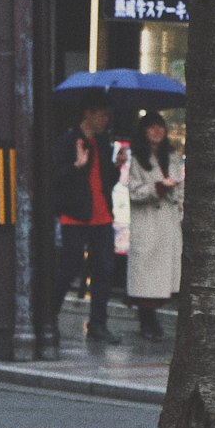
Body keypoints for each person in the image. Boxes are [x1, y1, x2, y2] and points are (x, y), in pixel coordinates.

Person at [53, 95, 121, 344]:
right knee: (69, 268)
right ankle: (51, 316)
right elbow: (56, 178)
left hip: (101, 215)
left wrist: (116, 166)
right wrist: (76, 166)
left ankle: (98, 323)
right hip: (75, 216)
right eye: (101, 115)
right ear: (88, 114)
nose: (105, 120)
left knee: (104, 268)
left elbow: (106, 181)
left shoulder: (102, 142)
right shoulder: (68, 141)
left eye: (107, 115)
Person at [126, 110, 183, 340]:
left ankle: (151, 317)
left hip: (169, 221)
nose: (157, 131)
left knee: (164, 275)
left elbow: (180, 187)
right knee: (147, 276)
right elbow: (133, 191)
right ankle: (147, 319)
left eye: (160, 126)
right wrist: (158, 187)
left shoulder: (173, 157)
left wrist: (180, 202)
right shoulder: (137, 159)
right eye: (151, 127)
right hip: (148, 222)